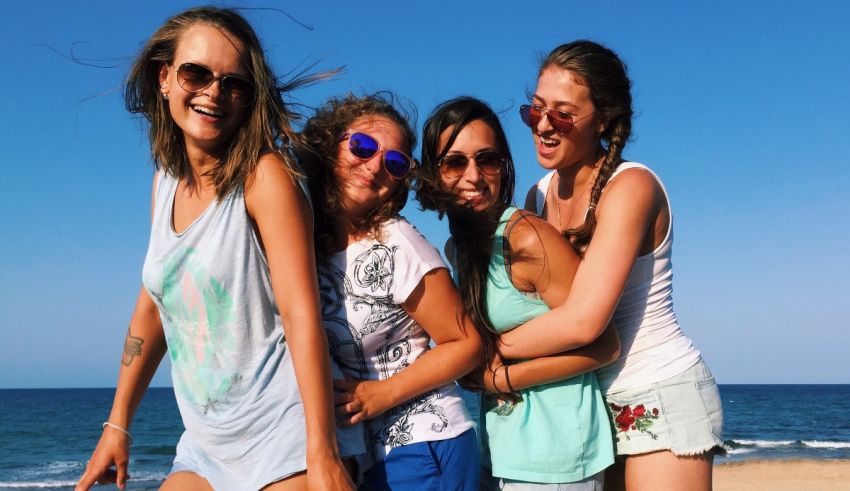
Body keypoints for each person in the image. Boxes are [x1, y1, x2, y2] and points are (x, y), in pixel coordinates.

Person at [75, 7, 360, 491]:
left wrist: (323, 454)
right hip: (207, 446)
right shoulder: (164, 181)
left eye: (234, 83)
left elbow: (300, 312)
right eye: (196, 73)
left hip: (285, 438)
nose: (213, 93)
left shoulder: (265, 177)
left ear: (250, 98)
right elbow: (154, 302)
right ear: (165, 78)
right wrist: (117, 424)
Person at [498, 40, 724, 490]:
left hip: (656, 389)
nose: (543, 124)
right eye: (535, 109)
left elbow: (584, 321)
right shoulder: (537, 195)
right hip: (584, 402)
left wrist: (487, 352)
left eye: (562, 113)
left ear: (603, 120)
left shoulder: (631, 187)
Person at [416, 96, 620, 490]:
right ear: (434, 173)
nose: (473, 176)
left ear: (503, 166)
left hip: (557, 455)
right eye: (455, 162)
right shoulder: (456, 249)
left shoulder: (526, 237)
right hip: (504, 451)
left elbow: (606, 344)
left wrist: (502, 379)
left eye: (487, 159)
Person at [297, 93, 483, 491]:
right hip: (364, 453)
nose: (375, 166)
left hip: (424, 443)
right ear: (331, 144)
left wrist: (381, 394)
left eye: (395, 163)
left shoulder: (396, 243)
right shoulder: (303, 241)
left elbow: (466, 343)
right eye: (362, 146)